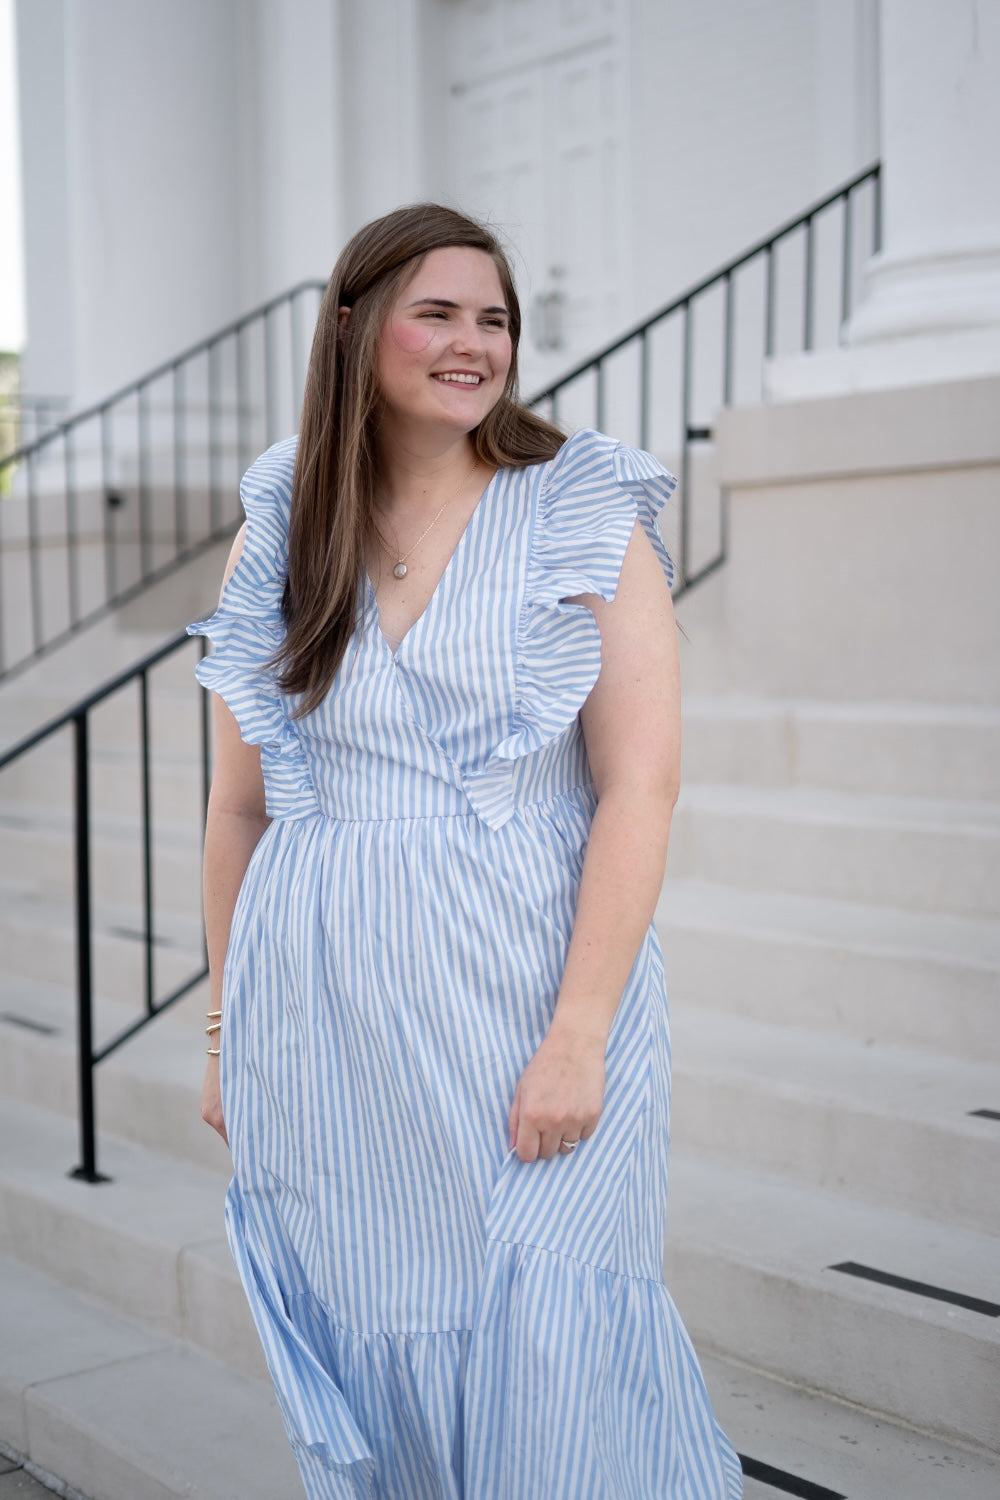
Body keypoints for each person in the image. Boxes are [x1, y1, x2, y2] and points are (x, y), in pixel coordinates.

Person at [191, 202, 743, 1500]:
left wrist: (581, 1031)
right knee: (392, 1359)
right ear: (353, 329)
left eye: (492, 318)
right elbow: (242, 808)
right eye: (436, 312)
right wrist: (227, 1029)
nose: (473, 342)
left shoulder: (579, 507)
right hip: (331, 1025)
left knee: (560, 1359)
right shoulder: (281, 519)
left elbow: (639, 785)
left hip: (529, 1003)